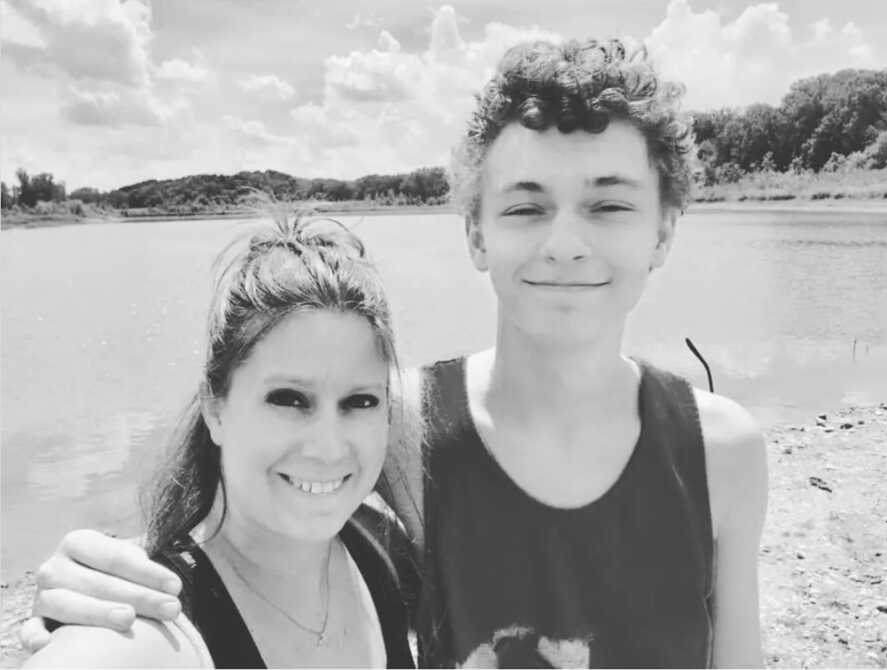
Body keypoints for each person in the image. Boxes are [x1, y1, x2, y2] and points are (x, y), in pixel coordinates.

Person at [21, 38, 768, 668]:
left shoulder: (720, 452)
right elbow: (243, 509)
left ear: (665, 228)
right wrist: (93, 578)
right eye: (525, 205)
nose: (565, 242)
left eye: (609, 204)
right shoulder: (395, 422)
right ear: (476, 232)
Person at [22, 213, 418, 668]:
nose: (328, 447)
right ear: (215, 407)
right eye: (289, 399)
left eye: (360, 402)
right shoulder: (157, 623)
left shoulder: (380, 549)